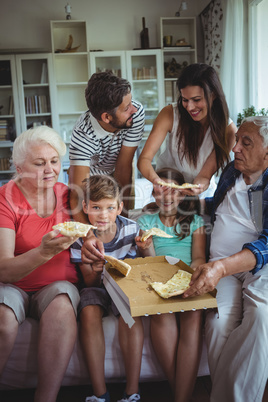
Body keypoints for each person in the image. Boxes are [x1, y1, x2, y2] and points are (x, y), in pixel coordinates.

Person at [183, 116, 268, 402]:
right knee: (218, 324)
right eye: (237, 140)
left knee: (262, 315)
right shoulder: (233, 171)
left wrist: (220, 267)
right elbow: (217, 207)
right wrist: (177, 201)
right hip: (221, 266)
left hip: (257, 266)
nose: (235, 148)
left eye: (246, 142)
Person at [0, 126, 80, 402]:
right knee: (3, 318)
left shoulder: (69, 193)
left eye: (55, 160)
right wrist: (44, 252)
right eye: (39, 163)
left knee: (62, 303)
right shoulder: (5, 199)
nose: (50, 169)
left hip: (57, 286)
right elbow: (4, 268)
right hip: (14, 285)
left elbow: (96, 228)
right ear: (19, 167)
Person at [70, 174, 144, 402]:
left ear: (120, 207)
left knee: (130, 311)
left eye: (110, 207)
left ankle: (132, 392)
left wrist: (145, 249)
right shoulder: (79, 237)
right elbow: (89, 283)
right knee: (89, 311)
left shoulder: (132, 229)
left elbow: (140, 269)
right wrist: (94, 268)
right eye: (96, 207)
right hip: (95, 286)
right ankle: (99, 392)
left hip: (123, 285)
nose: (103, 214)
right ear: (85, 207)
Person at [136, 168, 206, 402]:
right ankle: (181, 394)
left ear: (183, 195)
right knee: (162, 315)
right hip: (159, 279)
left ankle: (179, 396)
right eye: (160, 192)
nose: (166, 198)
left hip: (187, 279)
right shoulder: (146, 220)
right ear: (154, 196)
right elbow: (149, 260)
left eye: (172, 192)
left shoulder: (196, 222)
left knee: (193, 315)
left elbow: (198, 258)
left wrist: (190, 276)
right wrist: (144, 247)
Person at [137, 63, 237, 198]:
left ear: (213, 95)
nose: (189, 107)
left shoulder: (228, 131)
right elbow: (144, 159)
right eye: (185, 100)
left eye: (196, 100)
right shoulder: (169, 114)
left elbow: (204, 176)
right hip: (166, 190)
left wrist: (197, 187)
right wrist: (156, 181)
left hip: (201, 195)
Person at [68, 71, 145, 221]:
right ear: (106, 117)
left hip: (119, 166)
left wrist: (123, 221)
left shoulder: (136, 113)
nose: (133, 109)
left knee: (121, 216)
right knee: (98, 216)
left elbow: (123, 166)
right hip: (92, 175)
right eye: (126, 107)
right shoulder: (83, 135)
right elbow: (76, 197)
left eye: (131, 102)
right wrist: (88, 236)